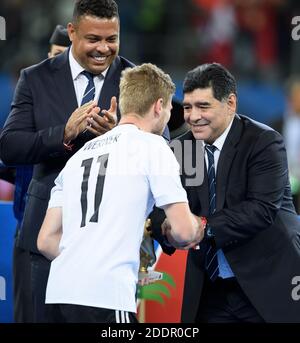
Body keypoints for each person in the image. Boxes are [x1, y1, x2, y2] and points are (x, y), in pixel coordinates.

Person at [0, 0, 138, 322]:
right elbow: (9, 146)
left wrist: (120, 133)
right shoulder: (35, 79)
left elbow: (162, 147)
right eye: (93, 39)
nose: (104, 49)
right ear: (72, 32)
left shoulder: (134, 79)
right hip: (48, 235)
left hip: (108, 241)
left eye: (112, 39)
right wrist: (63, 133)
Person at [37, 63, 204, 323]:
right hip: (105, 296)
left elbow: (46, 241)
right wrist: (198, 227)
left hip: (58, 295)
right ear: (159, 106)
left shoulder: (79, 156)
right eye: (170, 108)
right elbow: (183, 232)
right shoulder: (153, 146)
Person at [170, 63, 300, 323]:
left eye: (203, 106)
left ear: (230, 103)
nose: (193, 116)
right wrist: (164, 227)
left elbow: (261, 209)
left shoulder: (263, 141)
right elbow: (179, 205)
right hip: (210, 288)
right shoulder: (184, 148)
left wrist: (202, 226)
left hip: (267, 282)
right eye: (187, 107)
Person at [11, 24, 71, 323]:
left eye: (62, 56)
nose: (55, 62)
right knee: (28, 314)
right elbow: (10, 157)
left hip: (72, 235)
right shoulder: (31, 112)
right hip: (29, 229)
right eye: (53, 55)